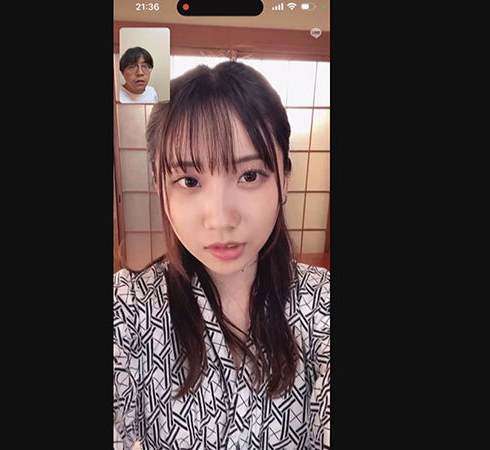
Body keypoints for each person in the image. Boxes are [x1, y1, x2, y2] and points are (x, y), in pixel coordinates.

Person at [113, 61, 329, 449]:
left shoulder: (323, 302)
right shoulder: (129, 306)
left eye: (249, 175)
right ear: (160, 187)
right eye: (189, 180)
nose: (220, 219)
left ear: (285, 180)